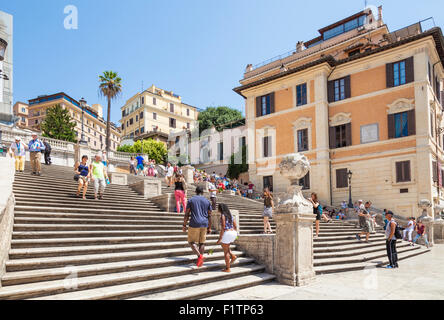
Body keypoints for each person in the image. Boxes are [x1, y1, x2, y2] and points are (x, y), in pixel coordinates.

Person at [183, 186, 212, 268]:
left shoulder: (191, 200)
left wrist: (184, 225)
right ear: (202, 192)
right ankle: (200, 261)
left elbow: (187, 214)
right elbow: (210, 215)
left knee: (191, 242)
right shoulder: (207, 201)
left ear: (195, 191)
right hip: (204, 223)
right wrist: (209, 227)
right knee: (202, 243)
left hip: (194, 223)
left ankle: (200, 256)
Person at [216, 203, 238, 273]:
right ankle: (233, 256)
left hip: (227, 233)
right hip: (233, 233)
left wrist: (220, 238)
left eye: (218, 208)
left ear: (221, 209)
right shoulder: (230, 215)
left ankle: (228, 268)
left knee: (225, 252)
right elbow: (235, 226)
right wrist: (234, 232)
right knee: (226, 246)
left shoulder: (223, 215)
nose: (217, 209)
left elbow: (223, 227)